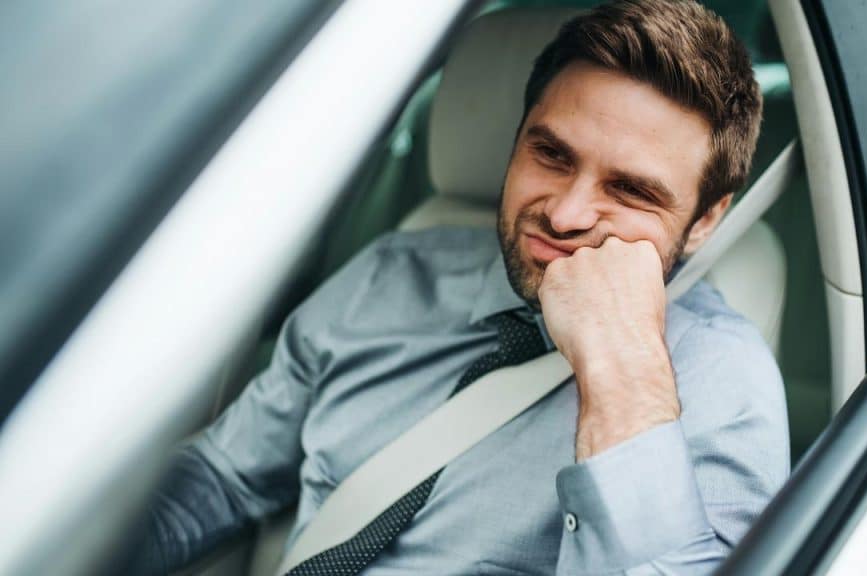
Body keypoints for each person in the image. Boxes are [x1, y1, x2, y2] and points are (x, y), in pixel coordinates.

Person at [128, 0, 789, 573]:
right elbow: (222, 477)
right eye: (551, 154)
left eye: (630, 190)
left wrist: (621, 370)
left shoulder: (723, 383)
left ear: (703, 221)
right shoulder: (393, 274)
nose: (565, 214)